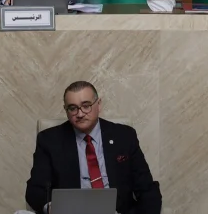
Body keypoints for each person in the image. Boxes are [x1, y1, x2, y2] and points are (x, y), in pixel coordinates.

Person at [25, 81, 161, 214]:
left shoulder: (124, 136)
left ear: (98, 104)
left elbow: (147, 189)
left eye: (86, 106)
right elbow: (35, 191)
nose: (80, 114)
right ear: (66, 110)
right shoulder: (49, 140)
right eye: (72, 108)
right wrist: (54, 208)